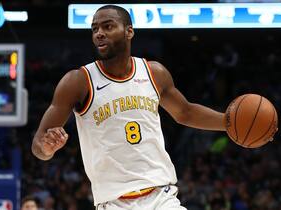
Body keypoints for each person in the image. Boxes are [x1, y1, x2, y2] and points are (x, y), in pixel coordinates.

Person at [32, 5, 226, 210]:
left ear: (129, 31)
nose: (99, 34)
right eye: (95, 29)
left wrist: (228, 123)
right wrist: (46, 149)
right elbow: (38, 143)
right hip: (114, 202)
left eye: (108, 26)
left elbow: (185, 112)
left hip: (162, 197)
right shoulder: (78, 81)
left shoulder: (154, 72)